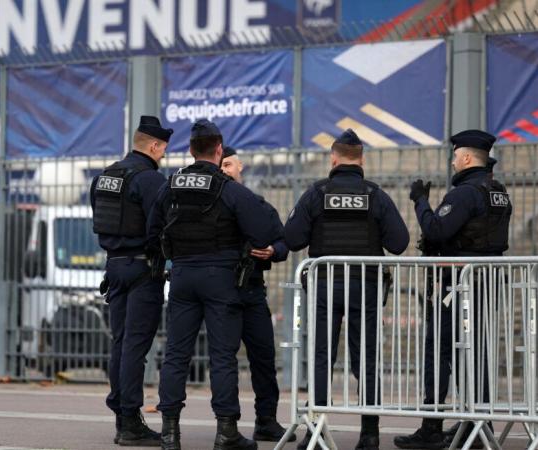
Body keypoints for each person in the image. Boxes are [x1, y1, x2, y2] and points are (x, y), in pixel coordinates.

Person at [147, 119, 274, 450]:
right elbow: (262, 234)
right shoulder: (229, 189)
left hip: (183, 277)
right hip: (221, 278)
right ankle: (226, 431)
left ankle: (170, 433)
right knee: (222, 356)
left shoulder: (170, 184)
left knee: (176, 354)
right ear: (219, 150)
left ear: (190, 150)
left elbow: (152, 231)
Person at [284, 129, 410, 450]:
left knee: (322, 356)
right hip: (364, 288)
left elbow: (293, 238)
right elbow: (399, 242)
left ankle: (316, 429)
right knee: (365, 359)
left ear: (334, 158)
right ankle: (369, 433)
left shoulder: (317, 193)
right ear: (362, 160)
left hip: (325, 286)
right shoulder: (375, 195)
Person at [393, 130, 512, 450]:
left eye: (456, 155)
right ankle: (478, 423)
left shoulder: (464, 193)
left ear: (468, 158)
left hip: (458, 285)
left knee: (439, 350)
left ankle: (432, 428)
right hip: (486, 284)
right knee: (476, 351)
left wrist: (420, 200)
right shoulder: (498, 191)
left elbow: (437, 230)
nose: (452, 160)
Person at [90, 115, 173, 447]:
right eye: (163, 149)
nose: (163, 155)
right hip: (142, 271)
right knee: (135, 348)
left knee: (121, 344)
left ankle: (122, 417)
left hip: (114, 268)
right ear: (153, 146)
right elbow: (165, 224)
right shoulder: (150, 180)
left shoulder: (105, 176)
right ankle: (129, 422)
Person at [220, 146, 295, 443]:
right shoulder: (210, 206)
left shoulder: (257, 204)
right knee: (224, 360)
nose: (225, 169)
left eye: (229, 164)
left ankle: (266, 420)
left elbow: (283, 241)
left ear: (241, 168)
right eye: (221, 164)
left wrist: (273, 250)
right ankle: (227, 425)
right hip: (221, 293)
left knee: (263, 357)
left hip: (251, 290)